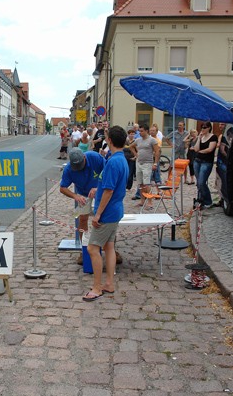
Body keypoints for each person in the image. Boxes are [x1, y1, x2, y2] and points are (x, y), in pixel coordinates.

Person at [82, 126, 129, 301]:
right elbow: (108, 186)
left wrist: (98, 214)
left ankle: (97, 287)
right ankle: (109, 283)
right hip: (116, 210)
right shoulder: (120, 158)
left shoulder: (113, 162)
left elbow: (109, 191)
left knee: (93, 248)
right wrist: (98, 187)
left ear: (109, 140)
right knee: (109, 247)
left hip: (108, 213)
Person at [60, 148, 105, 264]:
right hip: (82, 194)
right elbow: (63, 188)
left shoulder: (95, 157)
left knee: (105, 220)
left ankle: (109, 249)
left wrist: (98, 188)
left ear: (84, 158)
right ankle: (84, 249)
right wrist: (75, 196)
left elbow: (108, 172)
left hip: (99, 192)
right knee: (83, 219)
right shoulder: (69, 169)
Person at [129, 123, 160, 209]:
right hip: (139, 163)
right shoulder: (138, 140)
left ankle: (150, 201)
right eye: (139, 131)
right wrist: (136, 154)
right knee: (140, 183)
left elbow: (157, 151)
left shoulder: (152, 140)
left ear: (146, 131)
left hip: (148, 163)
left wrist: (155, 163)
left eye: (142, 131)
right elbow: (131, 146)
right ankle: (142, 200)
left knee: (147, 183)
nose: (140, 133)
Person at [192, 122, 218, 208]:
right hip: (197, 161)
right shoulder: (201, 137)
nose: (203, 129)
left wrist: (200, 151)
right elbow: (196, 148)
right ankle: (200, 200)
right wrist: (199, 138)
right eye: (202, 127)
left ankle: (208, 201)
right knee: (198, 183)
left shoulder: (213, 137)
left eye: (205, 127)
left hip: (206, 162)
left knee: (202, 182)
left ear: (209, 128)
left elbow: (210, 149)